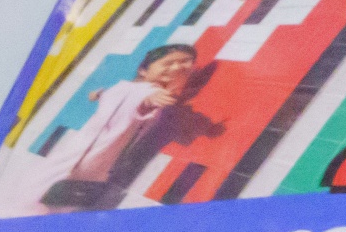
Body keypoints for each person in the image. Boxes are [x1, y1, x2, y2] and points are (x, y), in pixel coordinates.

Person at [40, 43, 219, 210]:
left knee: (55, 203)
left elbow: (134, 98)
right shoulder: (135, 89)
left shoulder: (137, 89)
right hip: (82, 159)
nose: (177, 68)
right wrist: (103, 94)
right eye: (169, 63)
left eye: (185, 65)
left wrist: (101, 94)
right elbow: (132, 96)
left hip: (89, 161)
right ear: (143, 70)